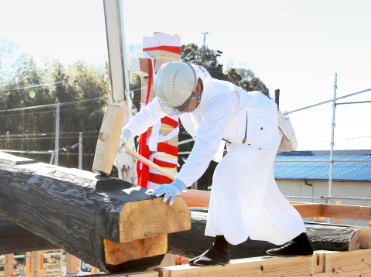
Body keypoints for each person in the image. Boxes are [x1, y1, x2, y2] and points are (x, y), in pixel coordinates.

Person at [118, 61, 313, 266]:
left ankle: (220, 249)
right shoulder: (179, 88)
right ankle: (299, 240)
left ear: (197, 89)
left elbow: (204, 148)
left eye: (183, 107)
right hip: (241, 135)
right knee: (263, 192)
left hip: (259, 131)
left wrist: (179, 182)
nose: (181, 111)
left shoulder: (219, 101)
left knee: (226, 175)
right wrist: (127, 132)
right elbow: (152, 112)